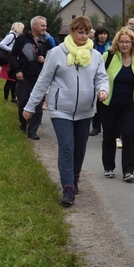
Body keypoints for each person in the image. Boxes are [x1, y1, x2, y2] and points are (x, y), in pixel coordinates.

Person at [22, 16, 108, 206]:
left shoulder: (94, 55)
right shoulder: (56, 53)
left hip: (85, 110)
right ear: (71, 32)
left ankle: (75, 178)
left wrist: (103, 90)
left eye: (87, 33)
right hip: (61, 109)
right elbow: (43, 80)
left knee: (79, 148)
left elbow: (101, 78)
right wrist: (30, 106)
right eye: (80, 32)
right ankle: (68, 189)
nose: (84, 36)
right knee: (67, 147)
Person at [100, 27, 134, 181]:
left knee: (128, 136)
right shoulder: (108, 56)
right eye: (121, 42)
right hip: (110, 103)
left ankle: (128, 170)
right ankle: (108, 166)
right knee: (109, 136)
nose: (124, 45)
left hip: (130, 104)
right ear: (117, 43)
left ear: (132, 43)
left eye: (127, 42)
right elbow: (99, 76)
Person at [11, 16, 52, 140]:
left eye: (45, 26)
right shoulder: (22, 38)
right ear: (34, 26)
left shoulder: (46, 40)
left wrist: (45, 58)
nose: (45, 28)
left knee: (38, 104)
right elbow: (13, 55)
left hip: (39, 76)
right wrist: (17, 70)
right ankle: (24, 123)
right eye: (42, 26)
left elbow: (53, 55)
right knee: (23, 101)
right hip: (24, 76)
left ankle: (33, 130)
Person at [90, 26, 113, 136]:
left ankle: (106, 127)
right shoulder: (92, 46)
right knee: (96, 103)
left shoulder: (112, 47)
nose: (103, 36)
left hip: (108, 76)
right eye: (100, 34)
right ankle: (96, 127)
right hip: (94, 76)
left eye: (105, 34)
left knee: (105, 103)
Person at [1, 22, 24, 103]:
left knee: (12, 80)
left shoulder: (15, 36)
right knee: (10, 80)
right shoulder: (11, 36)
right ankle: (7, 98)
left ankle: (12, 97)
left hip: (11, 59)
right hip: (9, 60)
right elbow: (1, 44)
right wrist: (12, 50)